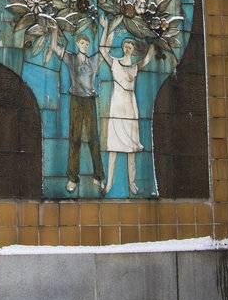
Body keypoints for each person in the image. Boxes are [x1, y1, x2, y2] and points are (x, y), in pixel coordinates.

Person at [99, 21, 155, 197]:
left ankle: (132, 183)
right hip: (117, 105)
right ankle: (109, 183)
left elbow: (148, 57)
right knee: (114, 147)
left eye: (130, 45)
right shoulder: (115, 63)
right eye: (125, 45)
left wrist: (155, 37)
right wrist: (107, 28)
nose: (127, 47)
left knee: (131, 146)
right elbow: (102, 49)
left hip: (131, 105)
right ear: (123, 48)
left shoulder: (135, 66)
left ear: (133, 48)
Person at [51, 32, 105, 194]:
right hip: (76, 99)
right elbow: (54, 47)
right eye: (82, 43)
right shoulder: (71, 58)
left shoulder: (92, 61)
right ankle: (72, 178)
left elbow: (103, 50)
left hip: (89, 101)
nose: (84, 46)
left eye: (86, 44)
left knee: (93, 139)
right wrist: (54, 31)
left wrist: (106, 27)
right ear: (77, 44)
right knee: (74, 139)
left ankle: (99, 175)